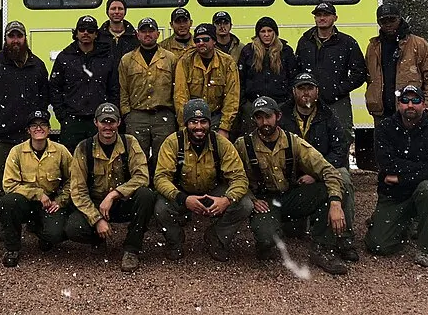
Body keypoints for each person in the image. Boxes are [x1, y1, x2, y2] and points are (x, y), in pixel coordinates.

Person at [234, 96, 349, 275]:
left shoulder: (292, 141)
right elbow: (232, 177)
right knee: (266, 241)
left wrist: (335, 203)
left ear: (278, 116)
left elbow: (328, 171)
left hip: (291, 196)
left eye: (268, 116)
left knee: (328, 191)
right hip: (265, 202)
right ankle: (272, 235)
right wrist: (251, 198)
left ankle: (322, 248)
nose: (264, 122)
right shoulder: (243, 145)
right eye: (259, 117)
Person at [0, 20, 50, 242]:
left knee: (33, 179)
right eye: (11, 37)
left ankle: (34, 219)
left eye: (19, 36)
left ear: (25, 38)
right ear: (5, 39)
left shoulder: (37, 65)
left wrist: (36, 124)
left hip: (28, 137)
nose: (15, 41)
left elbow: (44, 97)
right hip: (0, 136)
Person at [365, 85, 428, 267]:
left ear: (424, 105)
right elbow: (387, 165)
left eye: (415, 100)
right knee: (378, 246)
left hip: (419, 190)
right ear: (399, 104)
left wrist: (402, 177)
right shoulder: (385, 129)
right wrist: (423, 167)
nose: (410, 105)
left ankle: (426, 248)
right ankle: (407, 221)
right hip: (394, 195)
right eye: (405, 101)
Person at [153, 99, 251, 261]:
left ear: (210, 123)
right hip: (182, 192)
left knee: (244, 204)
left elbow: (239, 178)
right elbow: (160, 178)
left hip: (213, 192)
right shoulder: (172, 142)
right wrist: (183, 199)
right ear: (186, 124)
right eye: (193, 122)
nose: (199, 127)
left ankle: (216, 237)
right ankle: (175, 242)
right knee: (161, 208)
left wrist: (226, 200)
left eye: (203, 121)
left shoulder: (222, 144)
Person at [66, 103, 155, 272]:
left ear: (118, 123)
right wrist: (96, 219)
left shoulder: (130, 143)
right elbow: (78, 191)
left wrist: (114, 194)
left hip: (122, 202)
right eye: (103, 122)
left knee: (146, 196)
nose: (108, 126)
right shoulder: (83, 148)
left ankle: (131, 249)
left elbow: (142, 177)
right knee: (73, 228)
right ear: (95, 123)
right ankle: (98, 238)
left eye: (111, 122)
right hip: (96, 204)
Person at [279, 72, 358, 262]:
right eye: (301, 88)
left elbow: (340, 149)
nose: (305, 93)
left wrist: (316, 175)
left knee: (343, 179)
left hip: (323, 170)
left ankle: (344, 238)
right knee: (292, 231)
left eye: (310, 88)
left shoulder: (329, 116)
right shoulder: (282, 116)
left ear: (317, 91)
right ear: (293, 91)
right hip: (292, 177)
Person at [0, 111, 73, 267]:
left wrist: (60, 200)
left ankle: (41, 231)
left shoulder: (61, 151)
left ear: (49, 128)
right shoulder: (17, 152)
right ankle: (12, 248)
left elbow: (73, 180)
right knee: (7, 203)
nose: (38, 128)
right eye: (34, 125)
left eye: (43, 124)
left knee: (56, 234)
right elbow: (9, 184)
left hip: (51, 202)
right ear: (28, 130)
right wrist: (37, 194)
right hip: (24, 201)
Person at [295, 2, 367, 146]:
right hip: (309, 100)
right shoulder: (304, 42)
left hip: (338, 101)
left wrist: (339, 89)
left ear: (335, 18)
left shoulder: (347, 43)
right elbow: (296, 71)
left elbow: (359, 73)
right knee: (307, 139)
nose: (322, 18)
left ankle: (341, 169)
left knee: (342, 137)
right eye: (318, 15)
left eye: (326, 15)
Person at [50, 15, 119, 153]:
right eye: (82, 29)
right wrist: (62, 115)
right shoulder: (65, 57)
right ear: (76, 33)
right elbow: (54, 88)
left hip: (99, 120)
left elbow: (114, 88)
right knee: (71, 163)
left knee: (100, 160)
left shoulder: (106, 57)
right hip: (72, 121)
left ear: (96, 34)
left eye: (90, 30)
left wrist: (109, 114)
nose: (86, 33)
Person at [118, 17, 178, 171]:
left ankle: (161, 190)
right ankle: (141, 189)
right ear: (138, 35)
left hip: (163, 116)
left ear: (158, 34)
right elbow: (123, 89)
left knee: (164, 159)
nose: (147, 34)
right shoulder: (127, 60)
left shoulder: (170, 58)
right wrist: (127, 114)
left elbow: (177, 89)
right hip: (137, 116)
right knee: (138, 159)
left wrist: (175, 114)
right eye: (143, 31)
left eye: (151, 31)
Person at [365, 4, 428, 120]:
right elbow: (368, 77)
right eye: (383, 21)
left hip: (411, 112)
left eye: (392, 19)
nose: (388, 24)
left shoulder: (419, 44)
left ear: (400, 19)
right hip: (381, 114)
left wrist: (425, 107)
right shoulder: (373, 47)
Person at [173, 23, 240, 138]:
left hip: (216, 117)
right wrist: (184, 126)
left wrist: (224, 127)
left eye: (205, 39)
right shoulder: (185, 62)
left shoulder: (227, 62)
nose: (201, 43)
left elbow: (232, 97)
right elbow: (180, 96)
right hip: (191, 118)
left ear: (214, 41)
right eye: (197, 40)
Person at [235, 16, 296, 138]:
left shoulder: (286, 51)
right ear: (258, 34)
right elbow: (239, 79)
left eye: (270, 31)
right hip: (252, 105)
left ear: (275, 33)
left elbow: (292, 78)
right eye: (263, 31)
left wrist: (288, 102)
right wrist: (244, 104)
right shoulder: (248, 51)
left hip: (280, 104)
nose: (266, 35)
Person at [97, 0, 139, 66]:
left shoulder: (134, 37)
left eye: (120, 9)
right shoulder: (98, 36)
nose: (116, 12)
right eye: (113, 9)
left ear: (125, 11)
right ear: (107, 11)